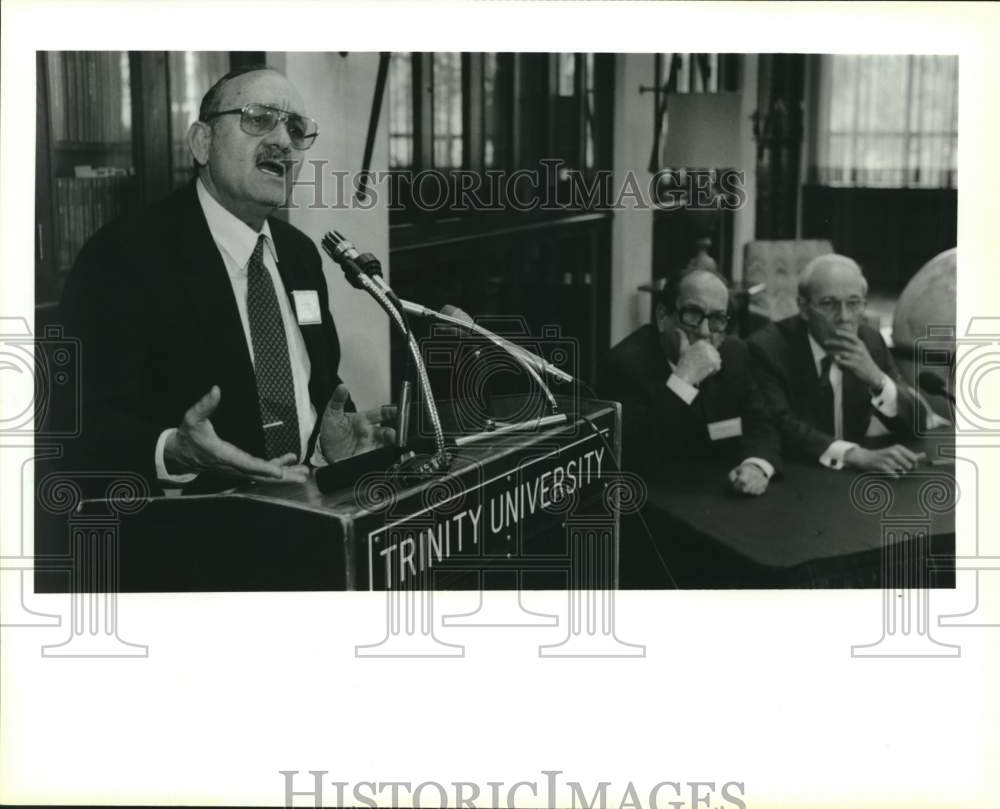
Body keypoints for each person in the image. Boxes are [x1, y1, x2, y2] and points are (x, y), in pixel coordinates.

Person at [59, 65, 395, 494]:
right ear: (203, 142)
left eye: (296, 129)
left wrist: (330, 443)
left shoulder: (300, 255)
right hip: (196, 532)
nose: (282, 142)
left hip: (312, 511)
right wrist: (171, 449)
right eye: (258, 119)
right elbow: (77, 423)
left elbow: (319, 390)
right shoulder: (124, 256)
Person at [599, 268, 781, 495]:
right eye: (693, 314)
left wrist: (756, 465)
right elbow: (632, 458)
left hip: (724, 491)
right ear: (663, 317)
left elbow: (761, 423)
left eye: (716, 318)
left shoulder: (734, 352)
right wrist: (682, 380)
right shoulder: (623, 365)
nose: (705, 332)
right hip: (657, 501)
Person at [747, 253, 923, 476]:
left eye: (853, 303)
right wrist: (855, 454)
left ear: (864, 305)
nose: (844, 316)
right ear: (803, 307)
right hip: (798, 477)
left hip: (851, 479)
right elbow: (781, 425)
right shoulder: (767, 347)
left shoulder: (870, 341)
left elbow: (917, 422)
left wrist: (877, 379)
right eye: (829, 304)